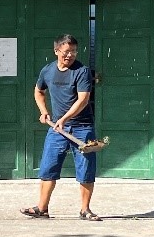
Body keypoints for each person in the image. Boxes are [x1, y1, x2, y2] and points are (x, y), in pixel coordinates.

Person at [21, 34, 102, 221]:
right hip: (57, 129)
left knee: (86, 169)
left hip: (82, 127)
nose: (70, 55)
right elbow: (38, 91)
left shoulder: (82, 71)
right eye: (66, 52)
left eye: (74, 51)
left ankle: (85, 209)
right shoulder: (48, 70)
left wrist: (64, 118)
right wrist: (44, 111)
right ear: (56, 51)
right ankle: (42, 208)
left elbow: (83, 100)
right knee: (48, 167)